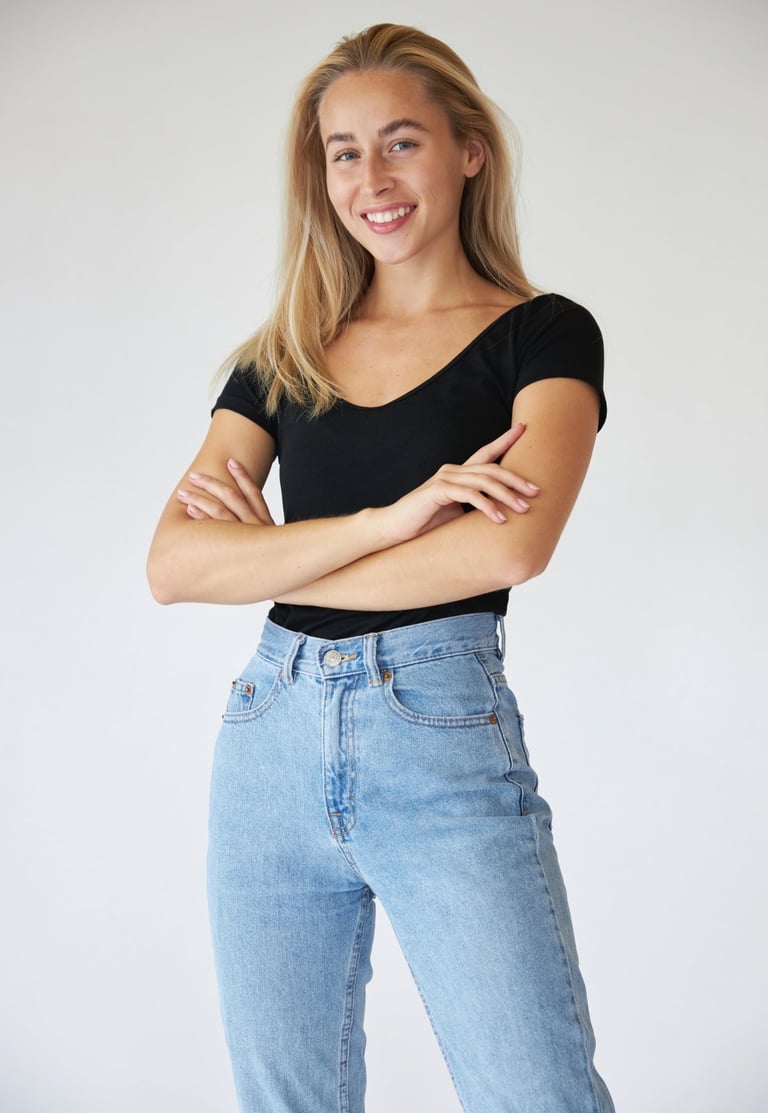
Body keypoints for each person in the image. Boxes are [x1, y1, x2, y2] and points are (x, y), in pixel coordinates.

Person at [147, 22, 615, 1113]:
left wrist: (266, 557)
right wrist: (390, 522)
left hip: (438, 728)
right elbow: (173, 564)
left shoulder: (542, 337)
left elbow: (509, 545)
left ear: (469, 150)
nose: (373, 179)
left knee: (536, 1093)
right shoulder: (283, 358)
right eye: (344, 152)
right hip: (267, 736)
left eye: (402, 141)